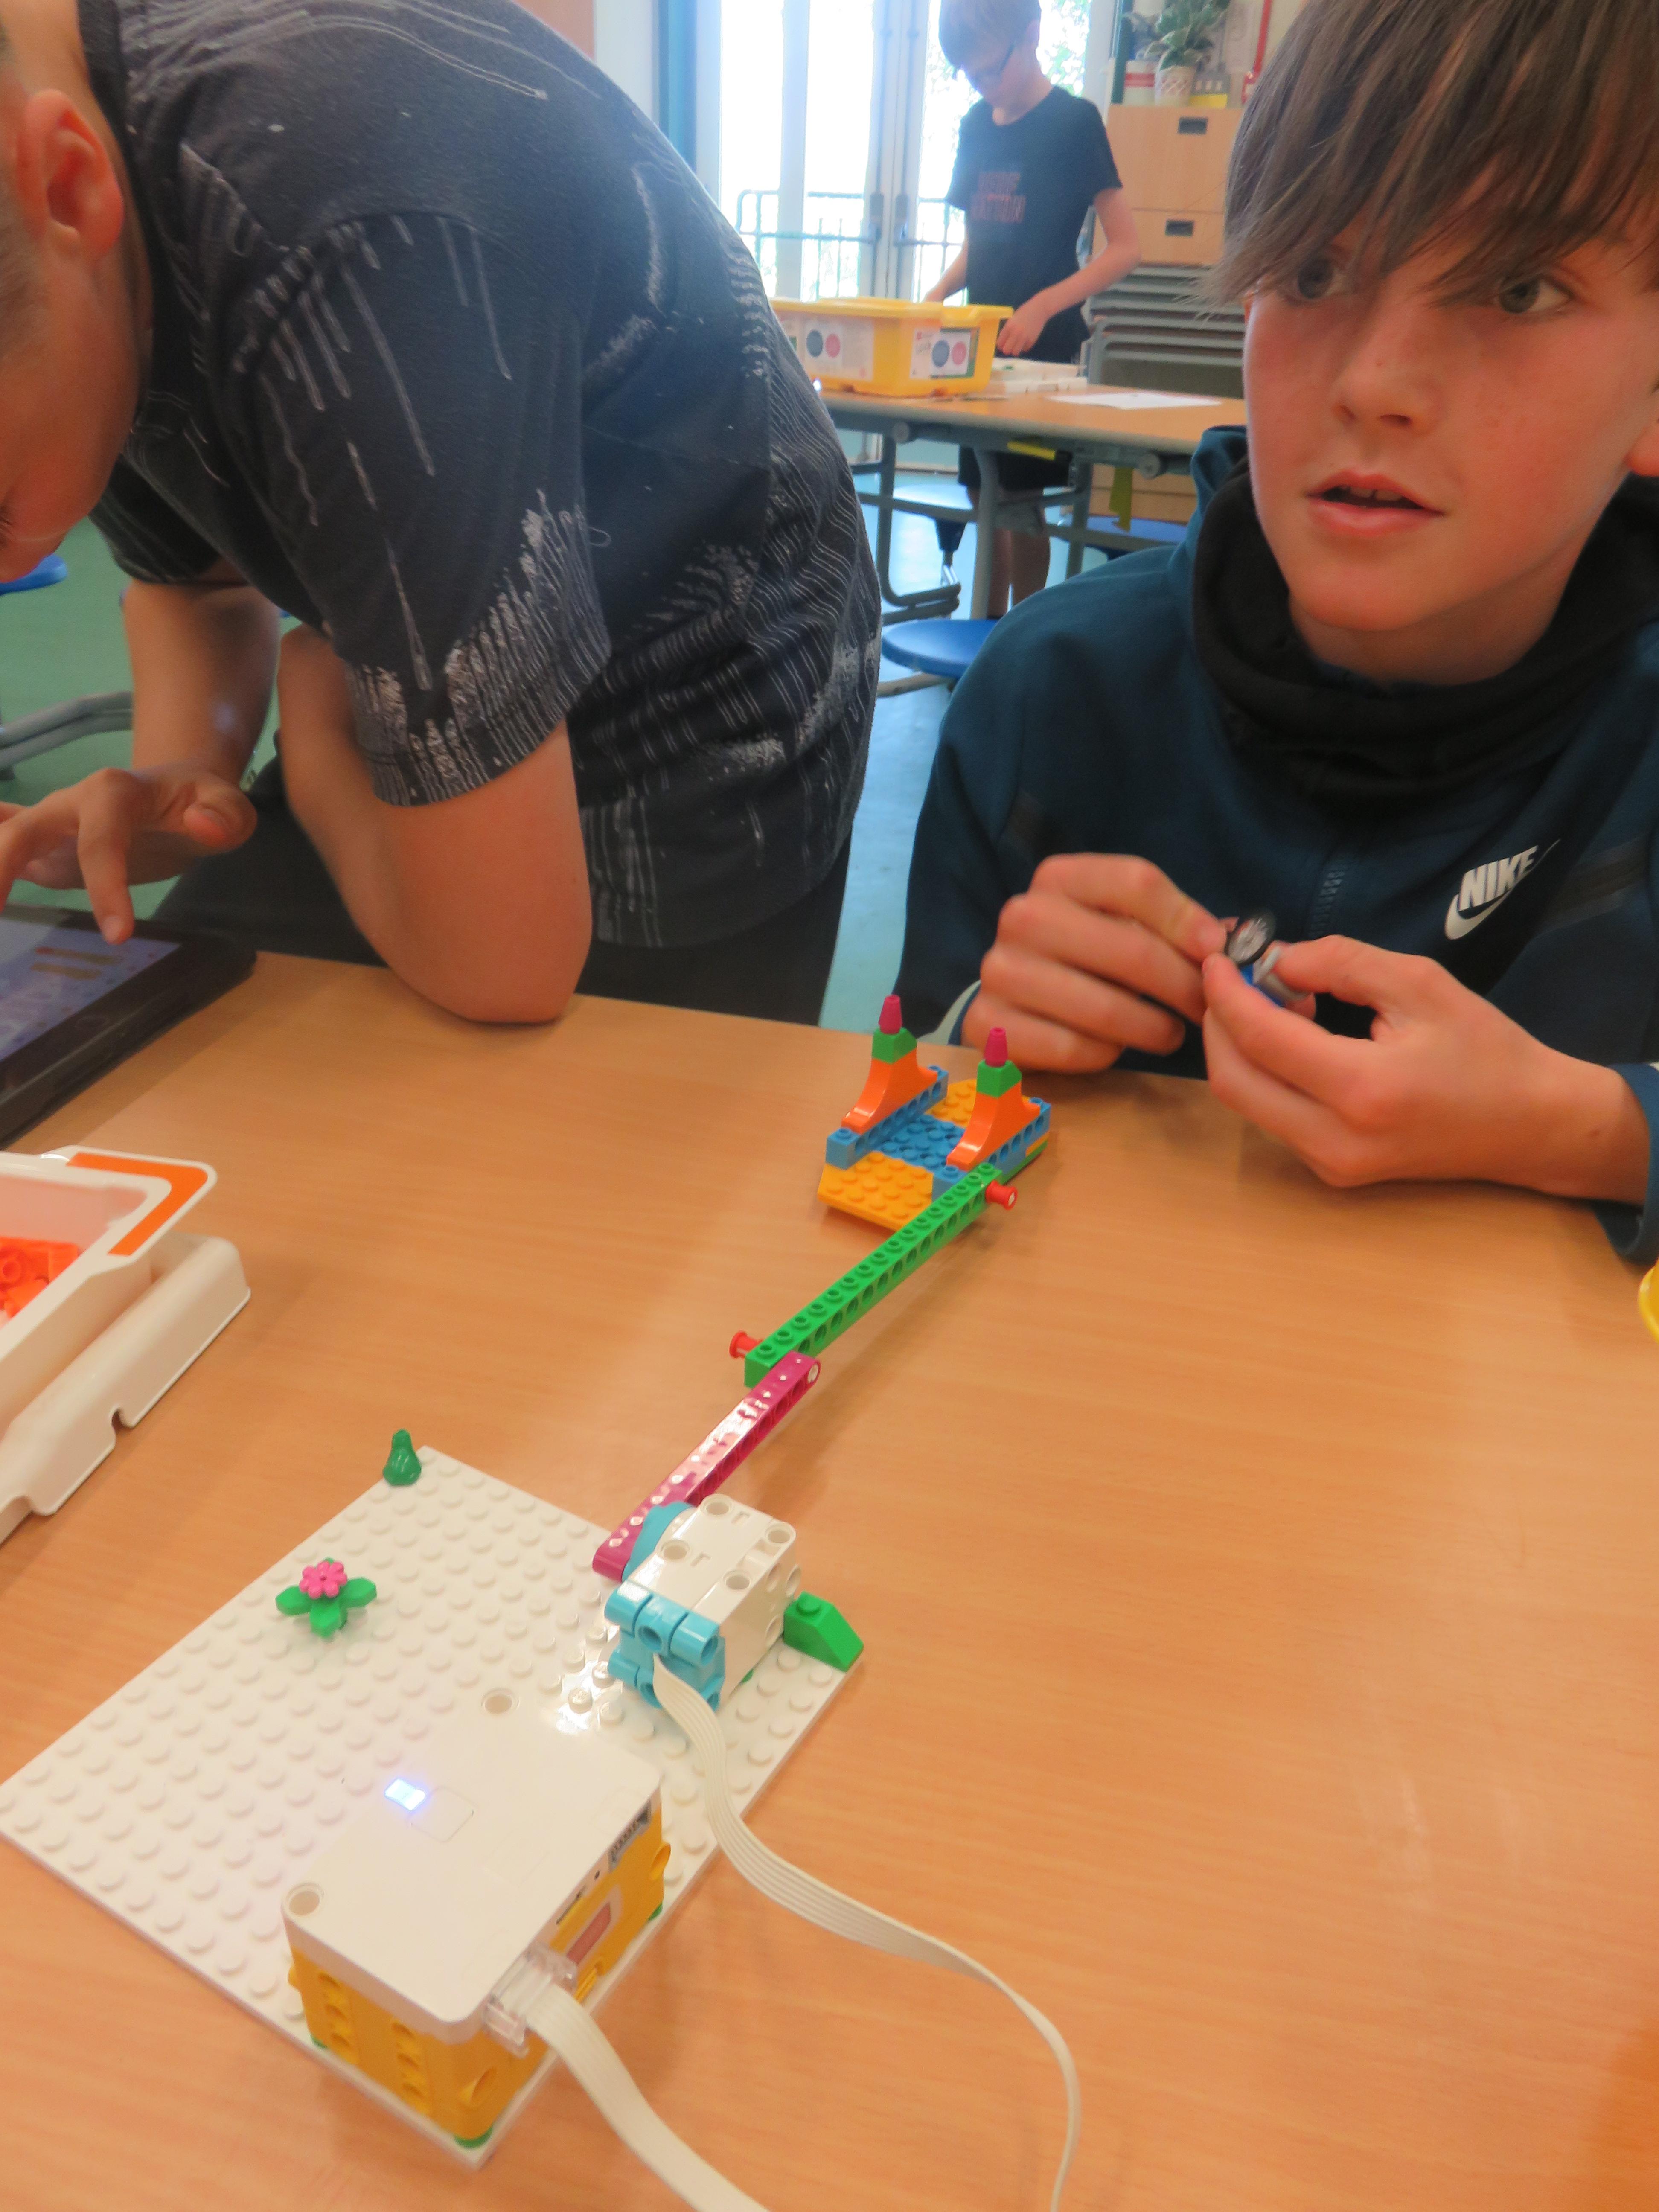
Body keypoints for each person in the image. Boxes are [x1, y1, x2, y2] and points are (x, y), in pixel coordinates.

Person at [894, 0, 1659, 1264]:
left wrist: (1584, 1128)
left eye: (1518, 289)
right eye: (1311, 275)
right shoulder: (1048, 696)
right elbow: (909, 1078)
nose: (1373, 382)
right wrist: (979, 1024)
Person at [0, 0, 881, 1025]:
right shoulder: (73, 243)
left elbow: (507, 961)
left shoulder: (347, 233)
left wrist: (318, 744)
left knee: (543, 1111)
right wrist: (184, 779)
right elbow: (197, 581)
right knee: (176, 1042)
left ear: (68, 185)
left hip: (697, 711)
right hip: (411, 691)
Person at [925, 0, 1140, 614]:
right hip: (980, 346)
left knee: (1022, 501)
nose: (981, 84)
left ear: (1033, 36)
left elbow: (1126, 248)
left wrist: (1044, 306)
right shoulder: (975, 125)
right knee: (982, 494)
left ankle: (1022, 630)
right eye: (968, 74)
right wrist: (935, 299)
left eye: (990, 69)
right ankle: (987, 628)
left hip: (1044, 352)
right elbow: (979, 245)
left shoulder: (1074, 123)